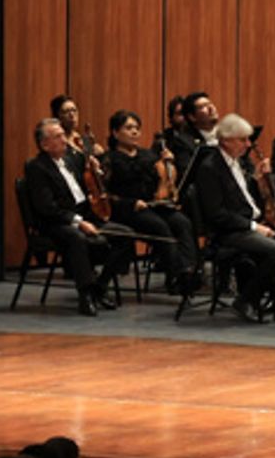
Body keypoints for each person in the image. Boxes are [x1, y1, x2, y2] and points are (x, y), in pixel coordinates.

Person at [195, 113, 275, 322]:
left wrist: (260, 182)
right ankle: (247, 298)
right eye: (243, 140)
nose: (248, 144)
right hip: (229, 232)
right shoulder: (209, 168)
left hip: (253, 225)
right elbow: (217, 214)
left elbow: (250, 203)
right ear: (226, 141)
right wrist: (253, 227)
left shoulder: (241, 163)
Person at [24, 118, 134, 315]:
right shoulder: (36, 167)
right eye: (58, 137)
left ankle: (99, 286)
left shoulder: (72, 159)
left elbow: (95, 179)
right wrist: (79, 223)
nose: (65, 141)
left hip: (85, 215)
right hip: (56, 222)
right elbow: (47, 208)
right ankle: (86, 295)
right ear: (44, 144)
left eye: (63, 136)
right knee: (77, 238)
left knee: (125, 234)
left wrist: (97, 167)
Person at [104, 109, 197, 295]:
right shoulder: (109, 159)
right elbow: (105, 194)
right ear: (115, 133)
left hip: (153, 205)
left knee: (182, 222)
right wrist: (131, 203)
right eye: (128, 128)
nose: (134, 132)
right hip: (127, 209)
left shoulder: (149, 156)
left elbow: (164, 182)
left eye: (137, 128)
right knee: (160, 226)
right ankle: (177, 275)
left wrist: (169, 164)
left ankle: (190, 270)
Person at [169, 91, 220, 173]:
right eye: (202, 106)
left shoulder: (227, 136)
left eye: (210, 103)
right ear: (192, 117)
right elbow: (189, 175)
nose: (211, 108)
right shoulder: (183, 142)